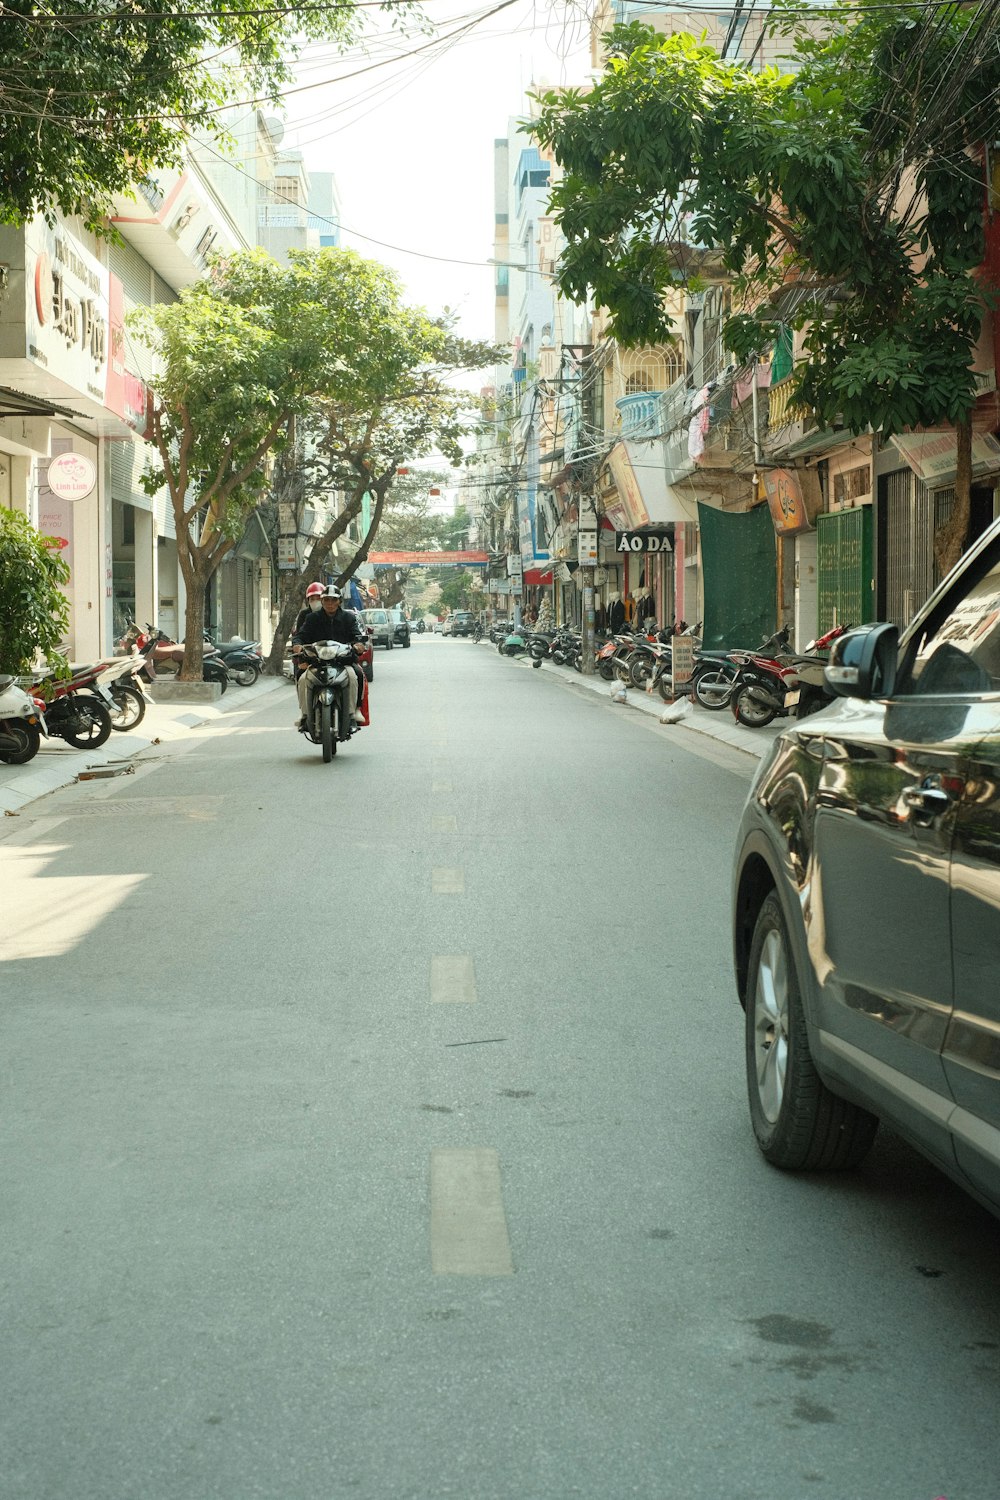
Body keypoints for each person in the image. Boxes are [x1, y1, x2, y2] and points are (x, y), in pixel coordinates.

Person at [292, 585, 366, 730]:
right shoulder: (312, 618)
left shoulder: (348, 618)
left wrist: (358, 645)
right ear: (322, 601)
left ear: (339, 601)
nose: (330, 603)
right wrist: (297, 645)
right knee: (301, 676)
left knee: (356, 674)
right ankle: (305, 714)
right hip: (317, 662)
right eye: (326, 600)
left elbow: (356, 636)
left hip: (343, 661)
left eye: (333, 600)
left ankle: (354, 711)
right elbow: (301, 636)